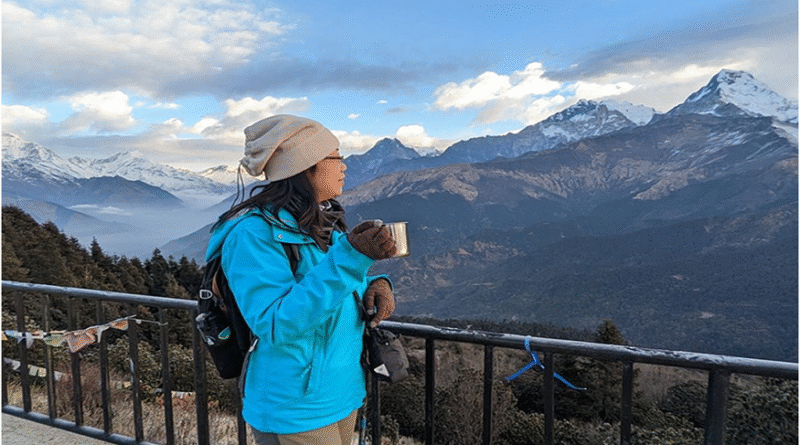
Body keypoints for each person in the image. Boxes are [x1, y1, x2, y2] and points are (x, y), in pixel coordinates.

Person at [205, 115, 397, 445]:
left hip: (340, 394)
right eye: (336, 156)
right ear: (305, 165)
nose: (345, 166)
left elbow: (327, 283)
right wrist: (353, 258)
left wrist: (374, 284)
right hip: (293, 408)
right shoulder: (253, 235)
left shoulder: (321, 221)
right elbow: (276, 322)